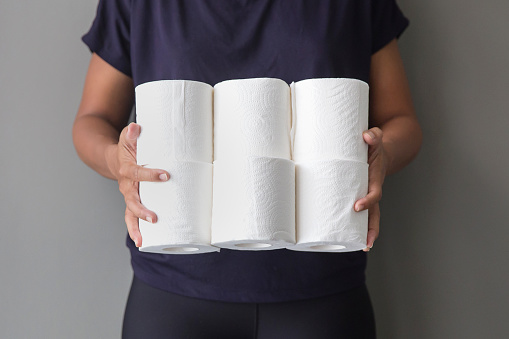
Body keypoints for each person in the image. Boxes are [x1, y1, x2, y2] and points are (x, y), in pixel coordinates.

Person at [73, 1, 422, 338]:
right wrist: (116, 161)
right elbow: (93, 120)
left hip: (322, 286)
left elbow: (400, 121)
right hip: (172, 285)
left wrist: (382, 154)